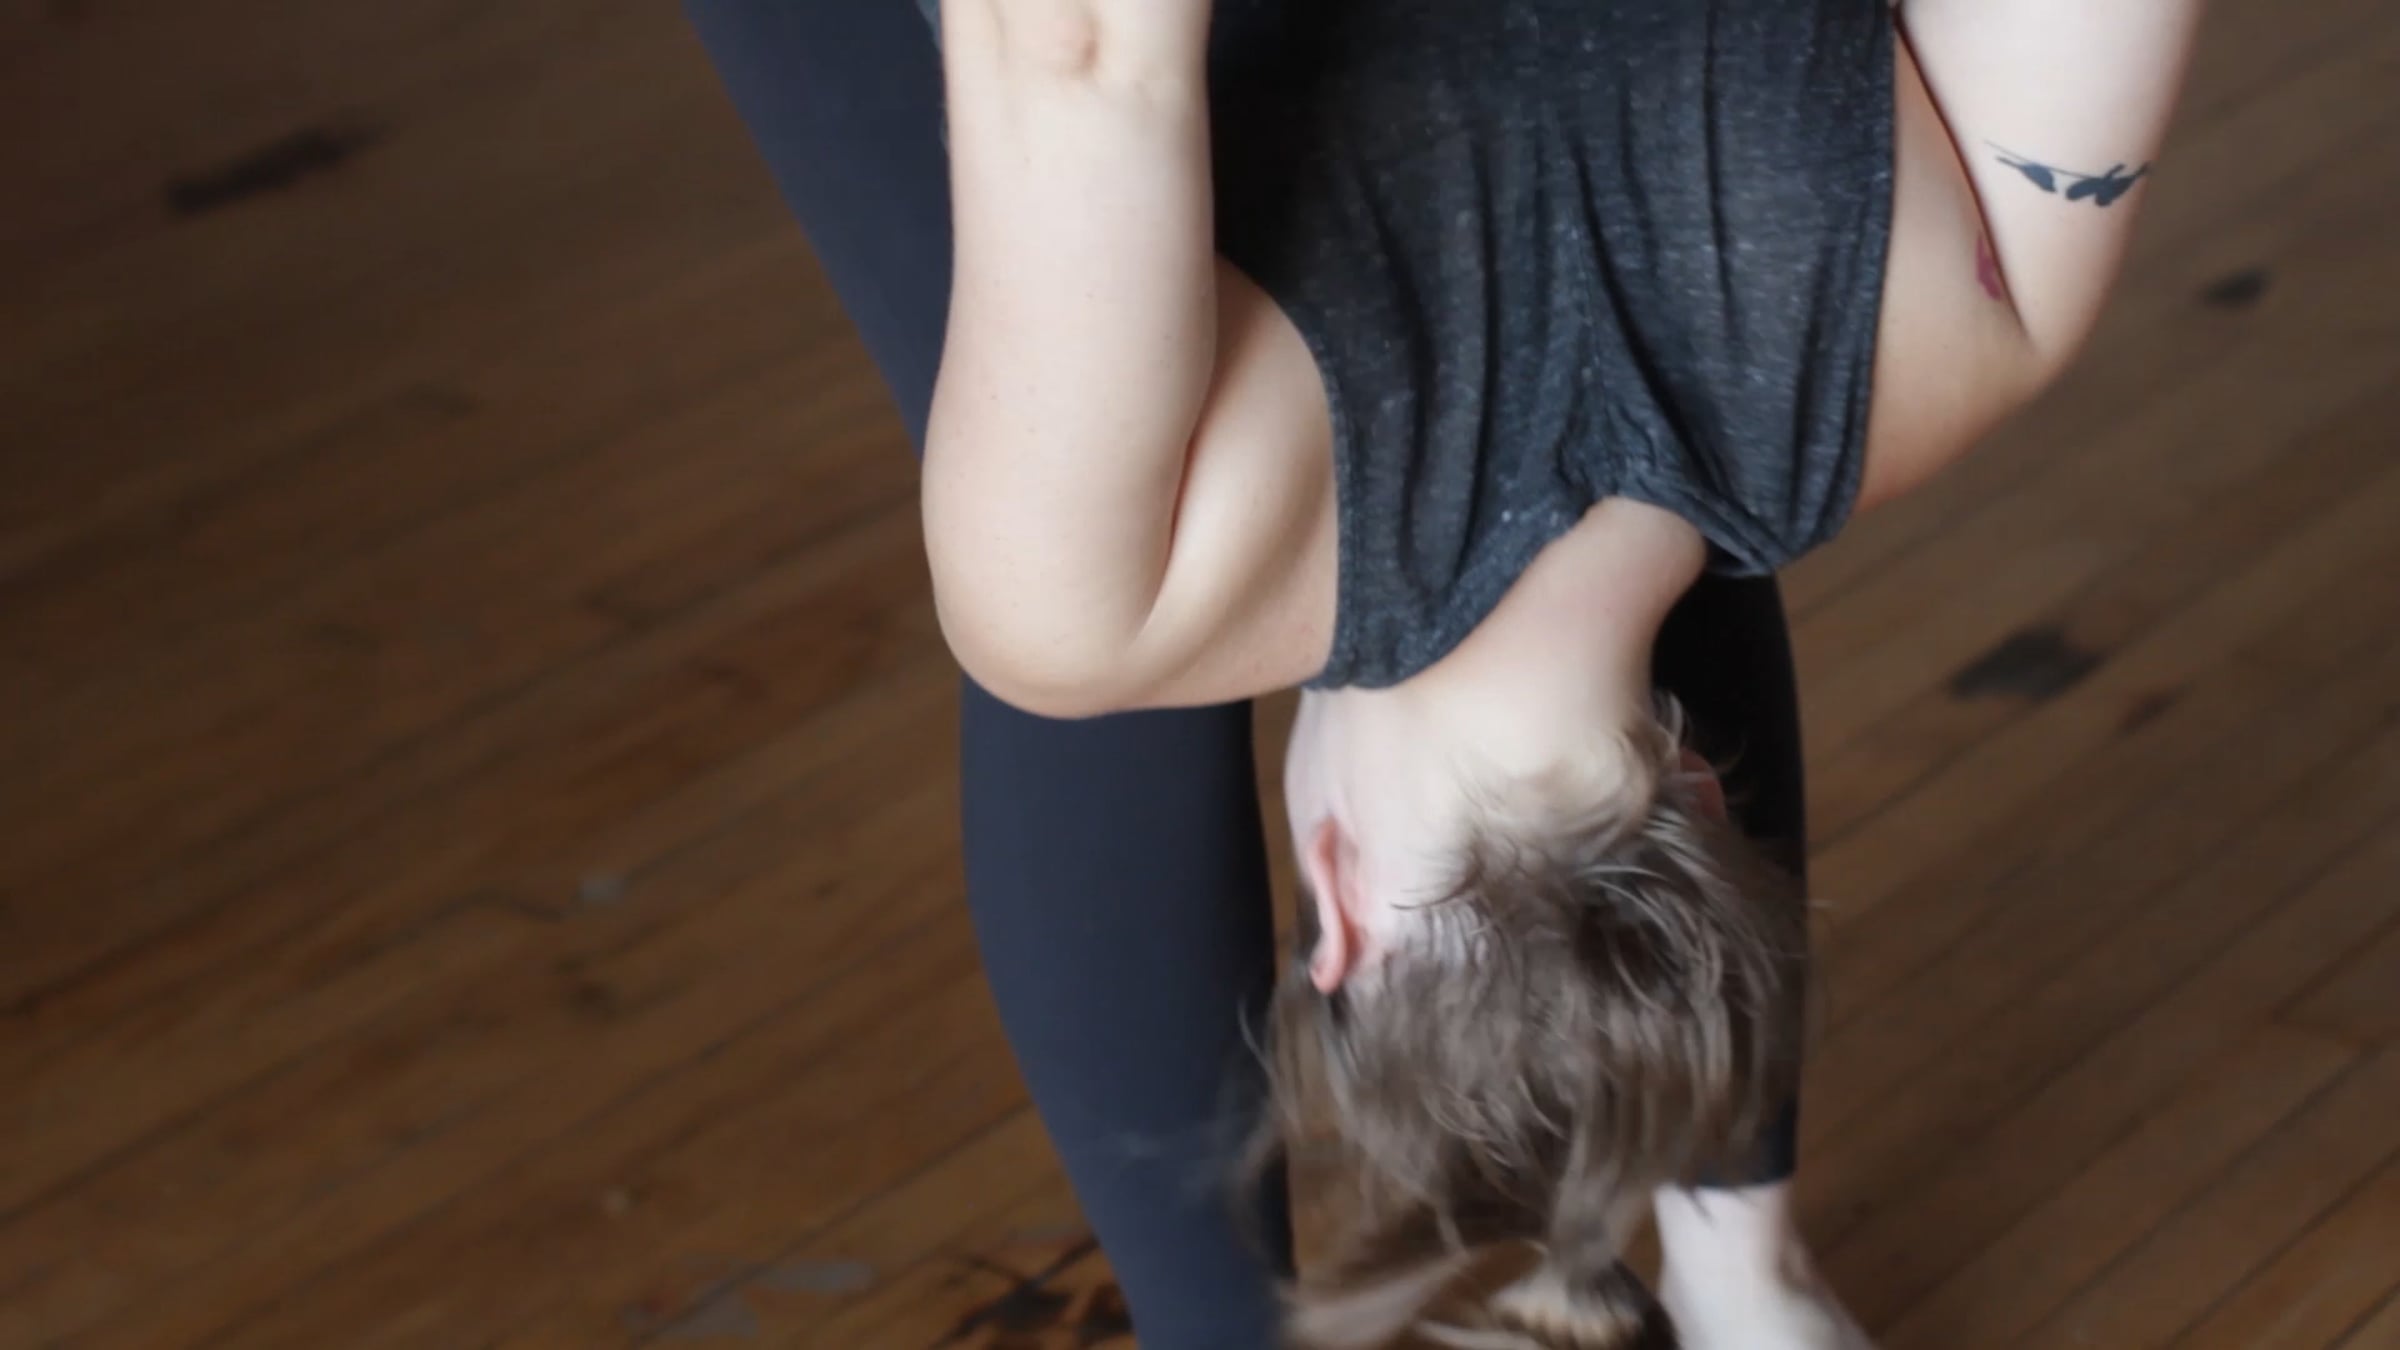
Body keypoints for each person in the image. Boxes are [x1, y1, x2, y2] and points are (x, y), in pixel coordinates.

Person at [683, 1, 2201, 1345]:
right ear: (1339, 910)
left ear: (1697, 787)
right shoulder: (1111, 596)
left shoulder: (1981, 327)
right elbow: (1075, 51)